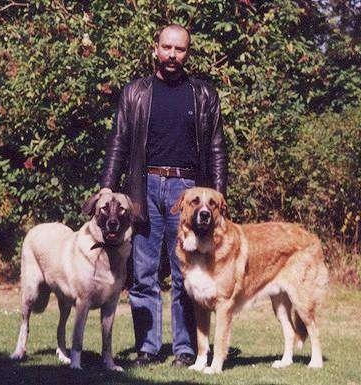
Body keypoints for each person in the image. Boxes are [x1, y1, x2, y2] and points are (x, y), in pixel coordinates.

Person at [100, 24, 228, 367]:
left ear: (188, 52)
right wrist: (108, 186)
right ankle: (147, 347)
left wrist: (218, 200)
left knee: (187, 274)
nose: (173, 55)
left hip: (188, 195)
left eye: (180, 49)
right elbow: (119, 142)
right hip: (144, 189)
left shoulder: (203, 94)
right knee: (143, 274)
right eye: (167, 48)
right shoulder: (135, 92)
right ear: (155, 47)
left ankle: (186, 351)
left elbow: (217, 148)